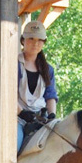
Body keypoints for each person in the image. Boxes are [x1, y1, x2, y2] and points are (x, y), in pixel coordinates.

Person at [17, 20, 58, 152]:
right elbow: (7, 95)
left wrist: (52, 115)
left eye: (40, 40)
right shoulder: (13, 64)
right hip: (16, 118)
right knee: (14, 145)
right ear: (23, 40)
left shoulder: (48, 69)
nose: (35, 43)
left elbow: (50, 96)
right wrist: (22, 113)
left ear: (44, 42)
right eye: (31, 38)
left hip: (41, 118)